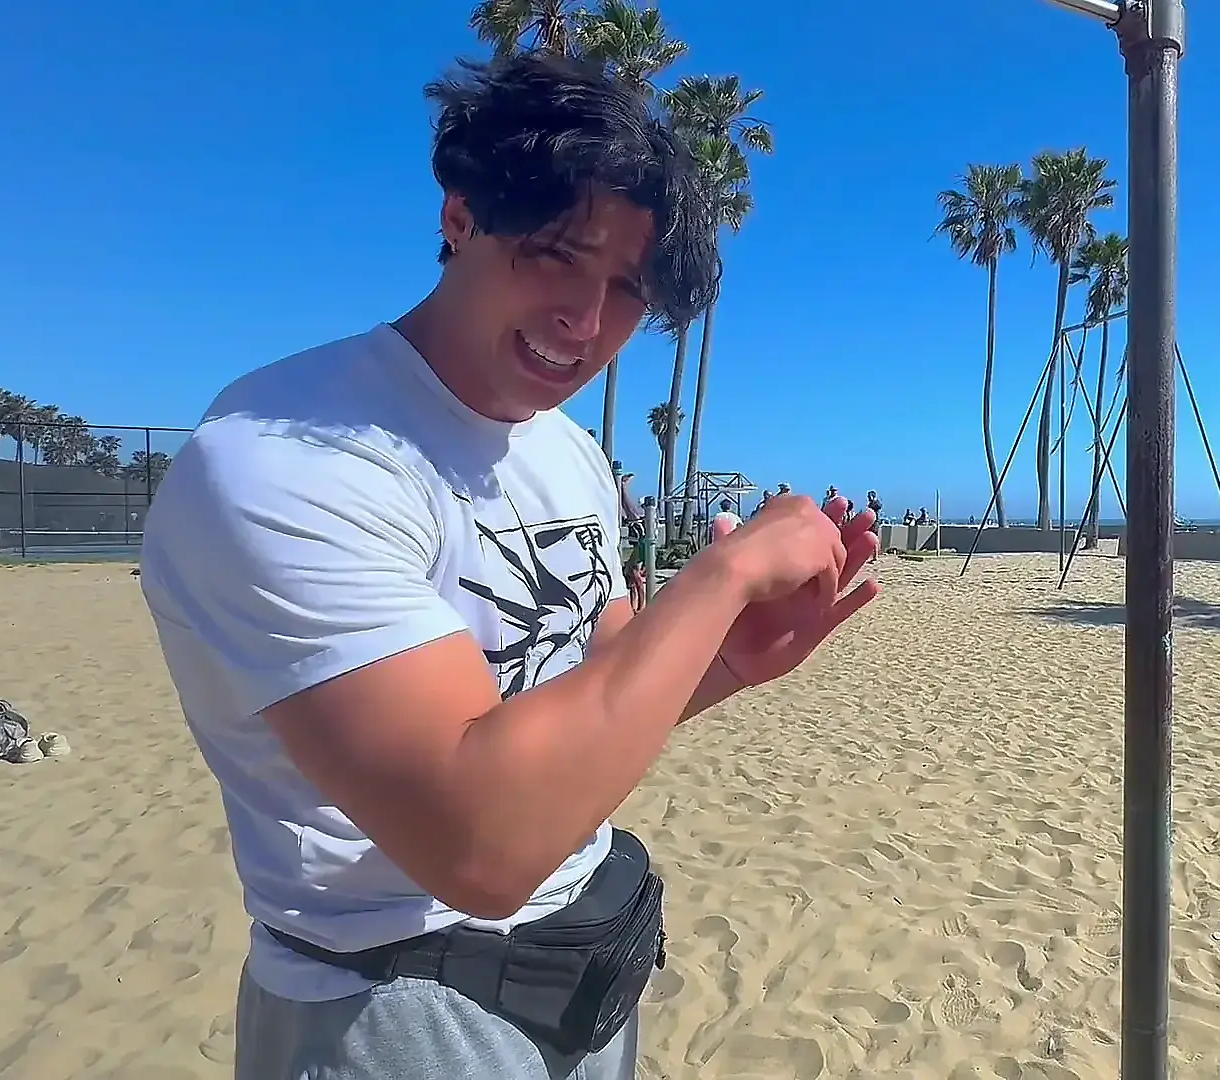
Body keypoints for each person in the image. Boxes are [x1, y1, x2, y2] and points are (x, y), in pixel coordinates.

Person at [138, 52, 880, 1080]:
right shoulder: (284, 457)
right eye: (556, 256)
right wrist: (716, 582)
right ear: (461, 218)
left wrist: (723, 658)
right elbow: (479, 847)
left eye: (627, 289)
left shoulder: (566, 451)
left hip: (584, 966)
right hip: (386, 998)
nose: (587, 319)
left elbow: (592, 681)